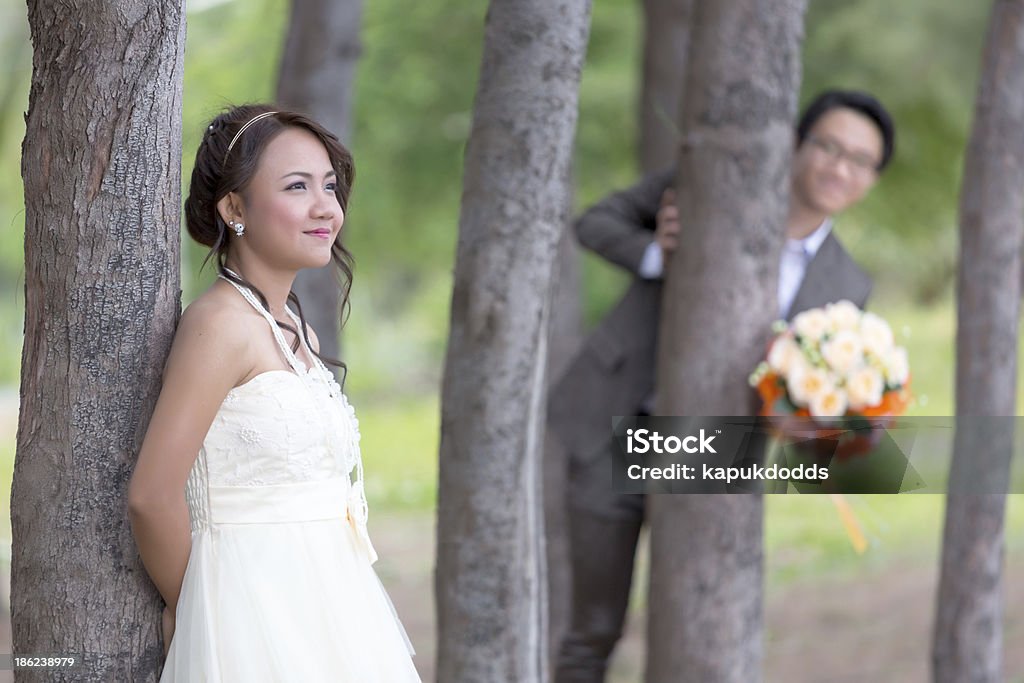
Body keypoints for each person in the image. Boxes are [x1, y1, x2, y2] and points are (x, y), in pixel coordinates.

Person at [549, 89, 896, 682]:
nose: (840, 168)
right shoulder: (706, 190)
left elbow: (811, 405)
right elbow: (594, 222)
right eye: (828, 146)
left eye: (860, 160)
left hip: (718, 455)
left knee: (698, 621)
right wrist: (659, 251)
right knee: (593, 627)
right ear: (795, 144)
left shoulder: (847, 284)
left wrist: (817, 427)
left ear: (871, 179)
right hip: (617, 423)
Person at [128, 104, 421, 682]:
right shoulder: (221, 325)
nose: (326, 208)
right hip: (248, 608)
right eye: (297, 187)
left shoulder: (294, 328)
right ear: (234, 208)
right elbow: (152, 496)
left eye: (329, 187)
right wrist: (203, 611)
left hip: (332, 604)